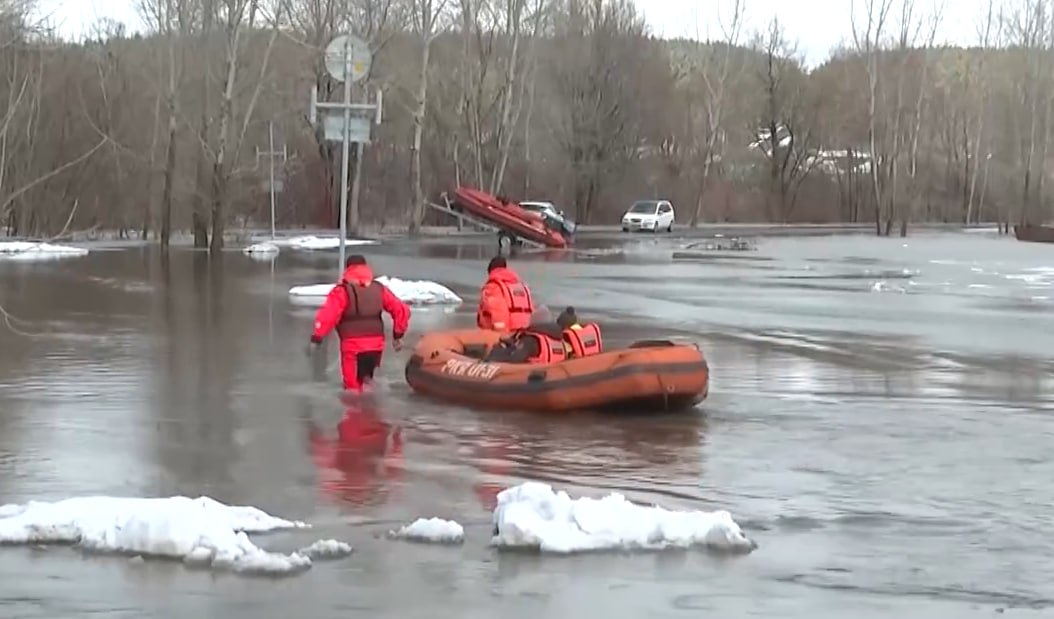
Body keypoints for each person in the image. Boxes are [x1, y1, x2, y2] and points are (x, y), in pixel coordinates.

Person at [308, 255, 411, 392]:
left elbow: (328, 315)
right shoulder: (379, 289)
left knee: (352, 389)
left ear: (347, 269)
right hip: (376, 346)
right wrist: (398, 335)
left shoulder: (342, 291)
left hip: (352, 346)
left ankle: (355, 405)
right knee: (369, 382)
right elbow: (401, 310)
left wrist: (317, 337)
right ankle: (373, 405)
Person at [477, 256, 534, 333]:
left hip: (505, 332)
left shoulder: (493, 287)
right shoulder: (521, 287)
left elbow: (497, 312)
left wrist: (500, 334)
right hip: (525, 331)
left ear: (491, 271)